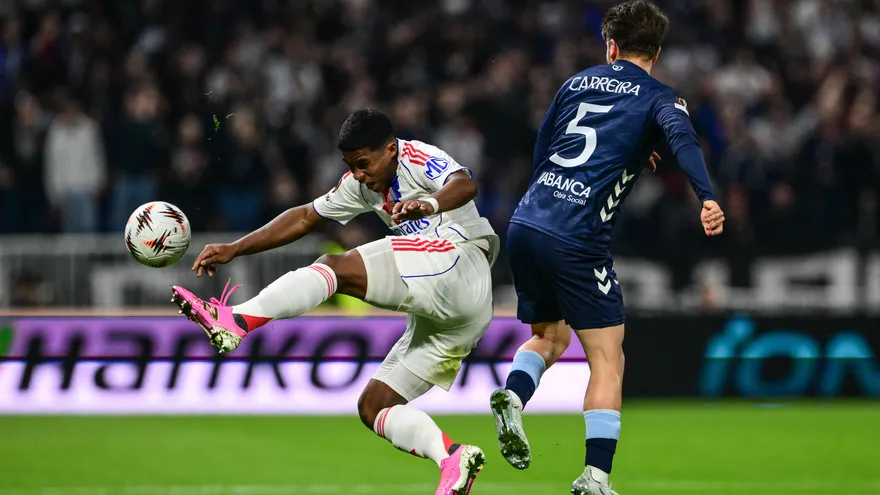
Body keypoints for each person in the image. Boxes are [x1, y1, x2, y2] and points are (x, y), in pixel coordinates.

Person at [171, 108, 498, 495]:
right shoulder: (360, 184)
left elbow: (464, 184)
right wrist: (236, 248)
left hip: (460, 261)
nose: (359, 174)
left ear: (390, 150)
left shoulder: (417, 157)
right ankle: (452, 457)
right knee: (374, 406)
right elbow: (307, 217)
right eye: (351, 165)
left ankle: (237, 321)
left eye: (363, 163)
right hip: (459, 317)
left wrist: (429, 204)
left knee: (334, 266)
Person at [488, 2, 725, 494]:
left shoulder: (575, 83)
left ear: (611, 46)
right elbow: (684, 141)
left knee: (550, 338)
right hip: (576, 235)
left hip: (528, 219)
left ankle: (513, 396)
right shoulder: (661, 98)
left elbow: (545, 149)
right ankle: (595, 477)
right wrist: (706, 197)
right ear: (655, 53)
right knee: (607, 357)